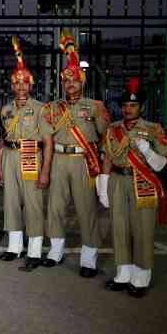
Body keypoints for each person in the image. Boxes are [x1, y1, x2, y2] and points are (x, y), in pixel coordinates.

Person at [40, 31, 110, 278]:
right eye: (67, 80)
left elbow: (106, 138)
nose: (71, 84)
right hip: (59, 159)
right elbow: (47, 138)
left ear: (83, 82)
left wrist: (104, 170)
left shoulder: (96, 107)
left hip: (83, 161)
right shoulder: (53, 108)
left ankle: (88, 259)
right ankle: (55, 252)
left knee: (86, 209)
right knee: (56, 207)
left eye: (75, 80)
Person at [99, 79, 167, 298]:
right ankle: (123, 272)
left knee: (142, 229)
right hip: (118, 181)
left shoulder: (152, 129)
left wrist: (148, 152)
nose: (128, 109)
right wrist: (103, 184)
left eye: (133, 105)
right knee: (119, 227)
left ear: (141, 107)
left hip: (143, 181)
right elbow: (108, 157)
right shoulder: (113, 129)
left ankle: (142, 275)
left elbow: (163, 162)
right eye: (125, 106)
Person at [0, 37, 53, 272]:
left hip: (31, 155)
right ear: (12, 86)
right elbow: (2, 139)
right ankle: (14, 247)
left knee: (33, 204)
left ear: (31, 85)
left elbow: (48, 142)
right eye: (16, 83)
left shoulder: (41, 109)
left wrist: (45, 172)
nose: (20, 87)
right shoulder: (6, 109)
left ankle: (35, 251)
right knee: (10, 202)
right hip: (10, 156)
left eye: (25, 83)